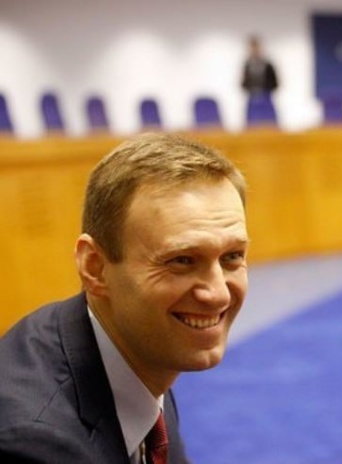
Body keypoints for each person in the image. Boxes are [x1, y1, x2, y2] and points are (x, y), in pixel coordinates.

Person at [0, 132, 249, 463]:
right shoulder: (35, 445)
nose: (217, 294)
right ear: (95, 267)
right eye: (181, 261)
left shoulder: (142, 347)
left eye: (232, 257)